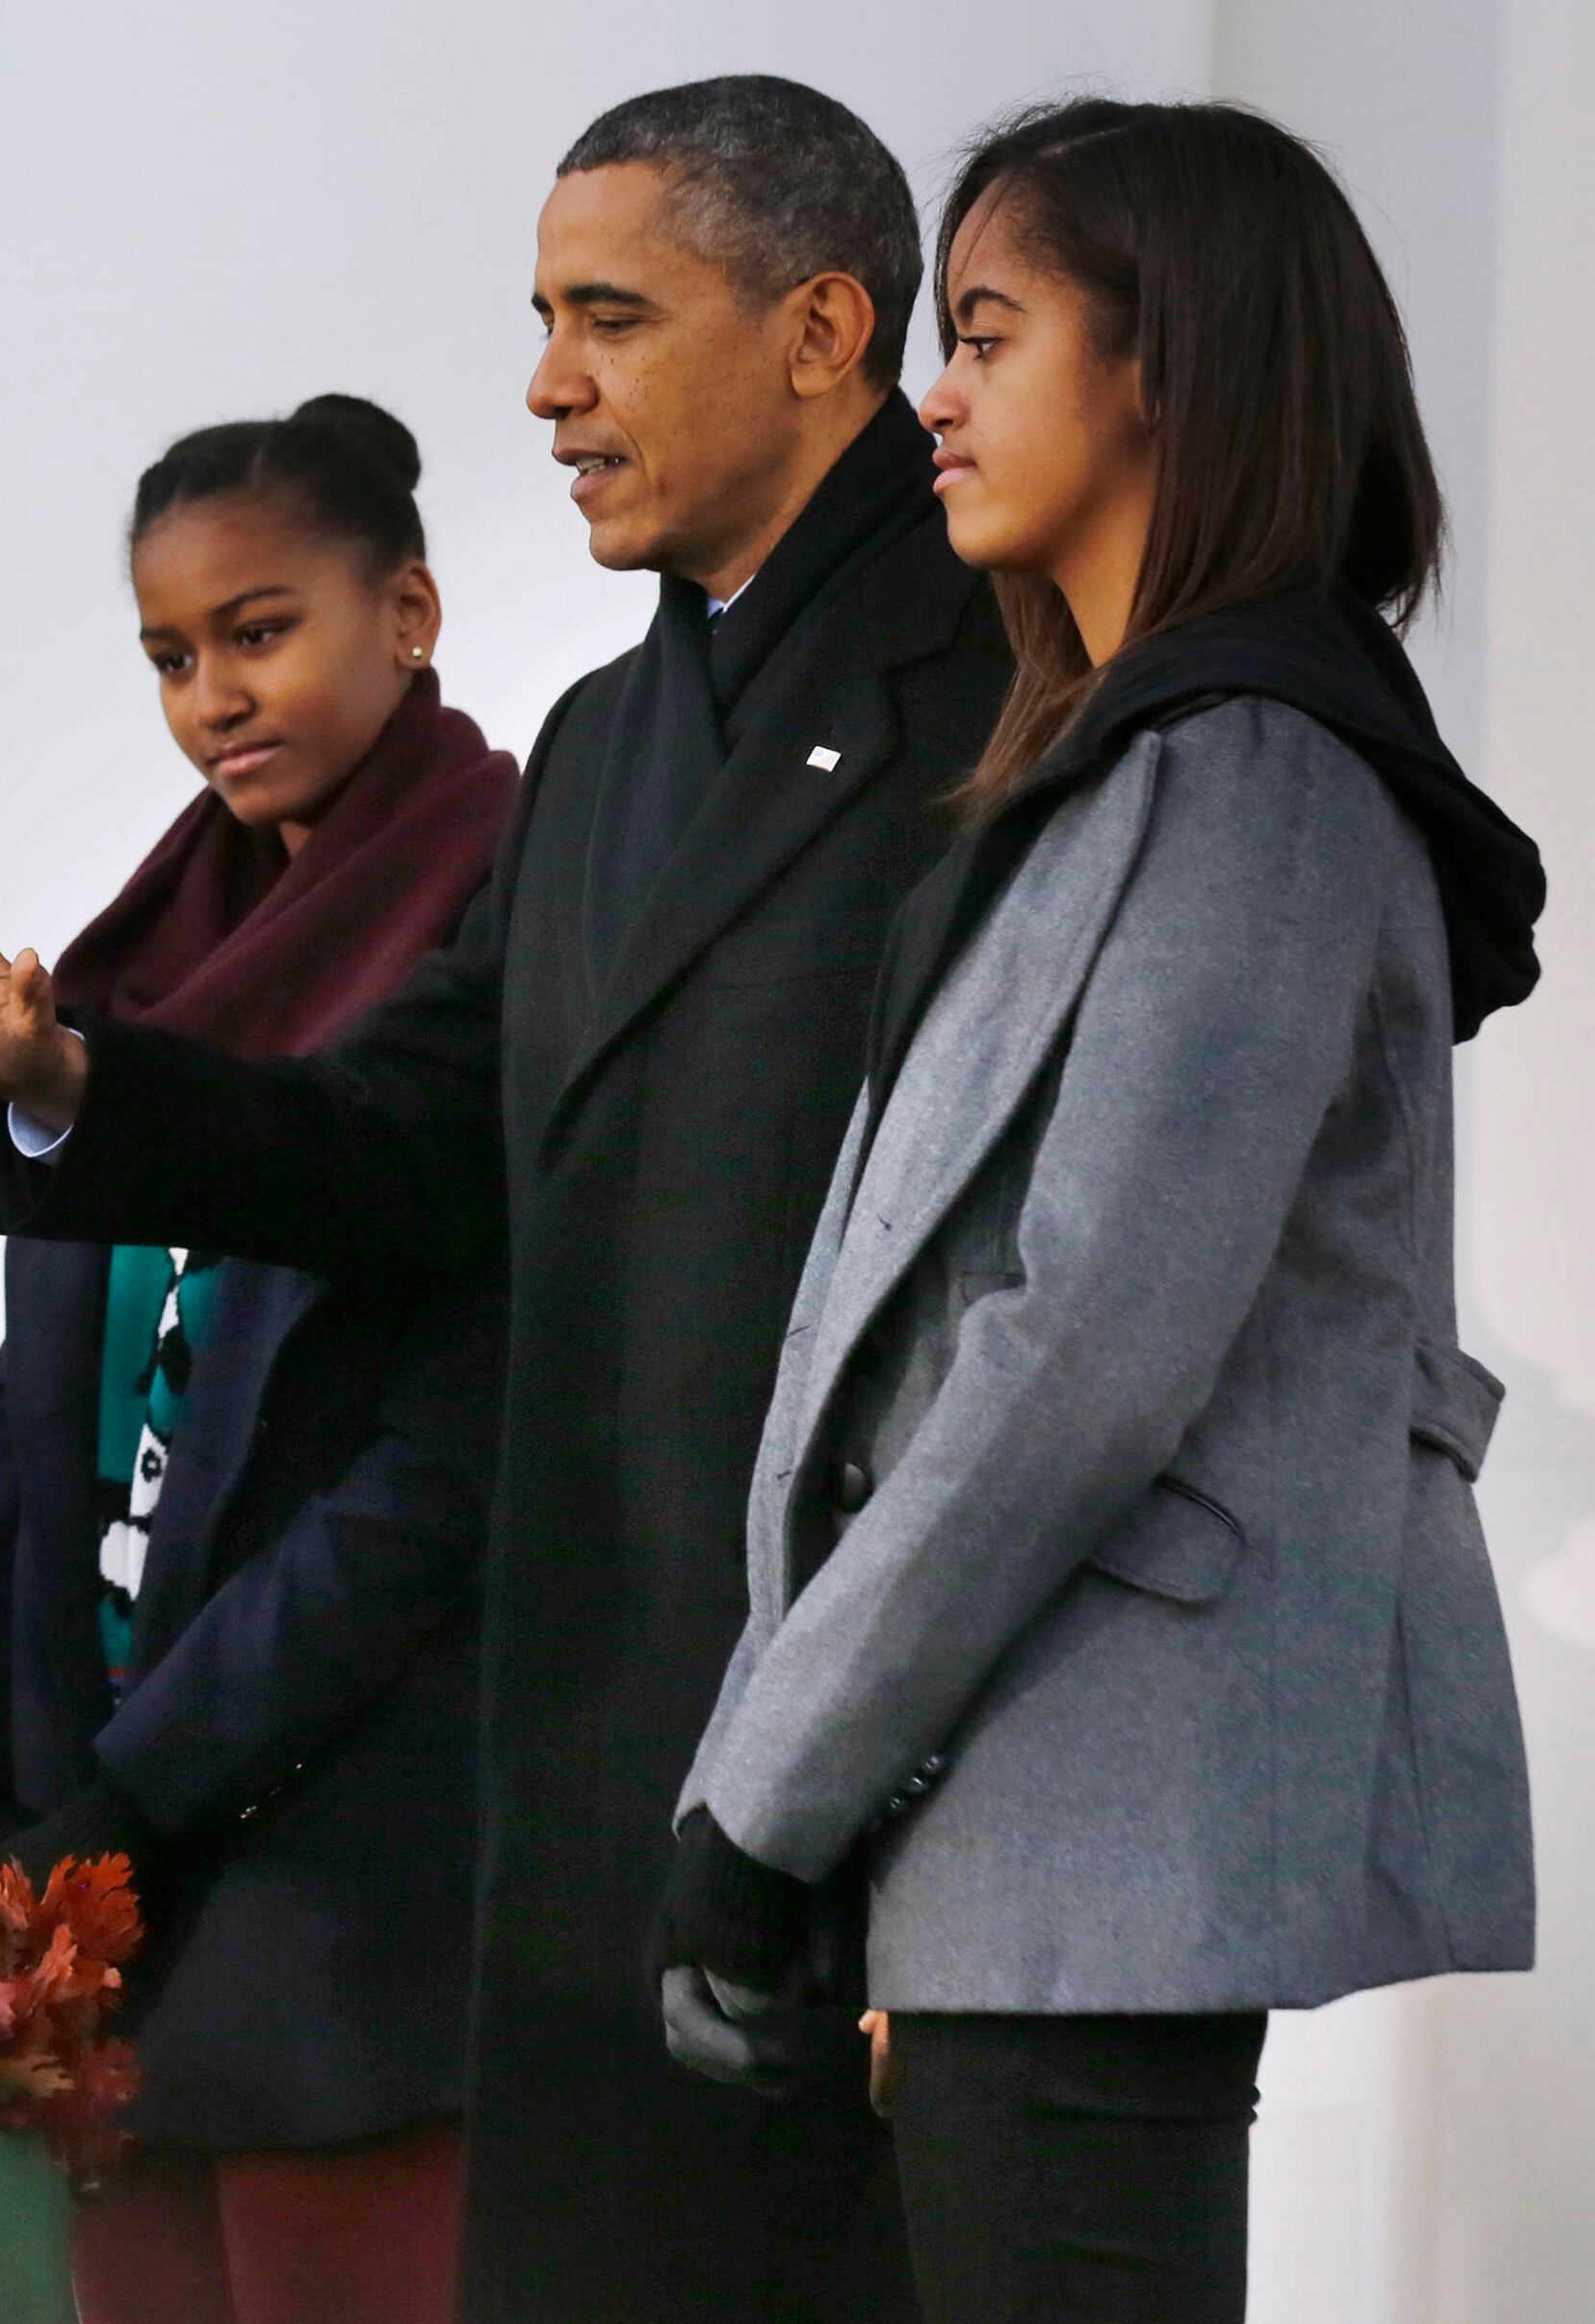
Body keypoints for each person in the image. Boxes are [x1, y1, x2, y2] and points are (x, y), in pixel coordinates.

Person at [0, 78, 1011, 2317]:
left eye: (610, 316)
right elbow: (400, 1151)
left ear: (823, 329)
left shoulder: (1001, 696)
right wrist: (59, 1072)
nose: (544, 384)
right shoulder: (620, 743)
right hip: (587, 1799)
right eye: (545, 315)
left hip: (854, 1787)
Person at [656, 99, 1540, 2321]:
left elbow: (1082, 1350)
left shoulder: (1252, 770)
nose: (932, 395)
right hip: (1006, 1829)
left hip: (1095, 1829)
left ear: (1169, 364)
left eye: (986, 330)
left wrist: (766, 1803)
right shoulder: (1128, 768)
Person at [0, 395, 513, 2324]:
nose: (214, 695)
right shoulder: (137, 960)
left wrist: (133, 1808)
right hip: (110, 1898)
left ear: (408, 611)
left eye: (261, 630)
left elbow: (436, 1467)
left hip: (349, 1899)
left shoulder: (506, 922)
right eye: (170, 654)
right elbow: (29, 1418)